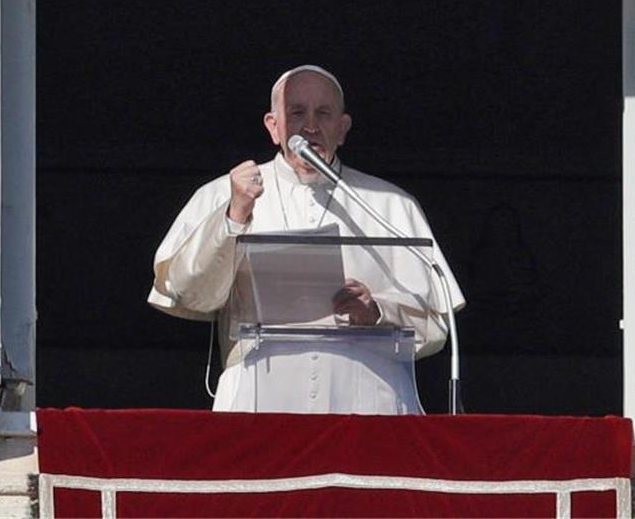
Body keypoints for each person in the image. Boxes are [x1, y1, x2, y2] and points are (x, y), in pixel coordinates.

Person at [148, 64, 465, 414]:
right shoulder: (224, 194)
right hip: (260, 402)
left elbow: (436, 326)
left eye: (323, 113)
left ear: (343, 128)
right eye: (296, 112)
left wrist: (377, 311)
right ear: (273, 125)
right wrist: (234, 216)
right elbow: (189, 293)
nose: (310, 126)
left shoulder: (389, 204)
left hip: (368, 404)